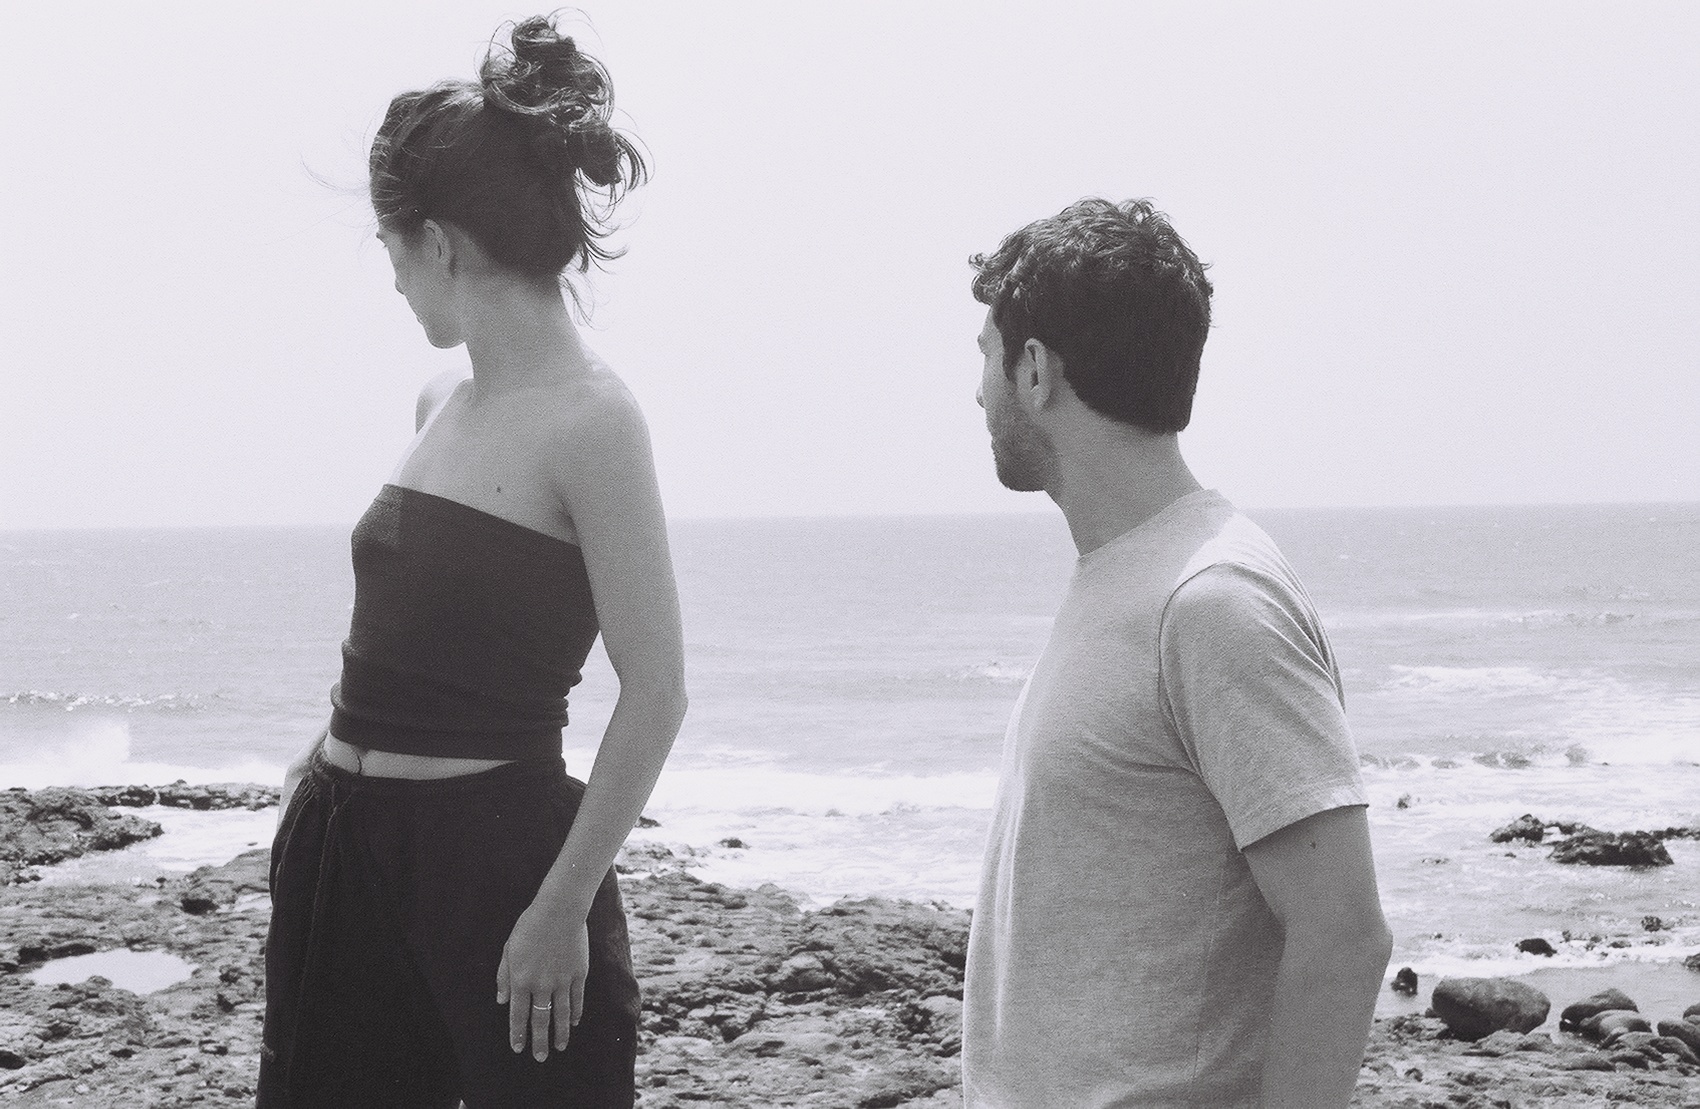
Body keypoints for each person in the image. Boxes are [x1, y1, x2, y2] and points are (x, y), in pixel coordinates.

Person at [258, 17, 685, 1108]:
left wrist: (560, 905)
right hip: (344, 853)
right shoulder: (439, 400)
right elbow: (409, 635)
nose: (397, 284)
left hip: (496, 871)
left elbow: (656, 690)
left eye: (393, 252)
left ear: (440, 244)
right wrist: (313, 776)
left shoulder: (594, 422)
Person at [960, 198, 1392, 1108]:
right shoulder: (1131, 575)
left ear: (1034, 369)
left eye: (985, 357)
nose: (977, 393)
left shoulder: (1213, 600)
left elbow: (1343, 932)